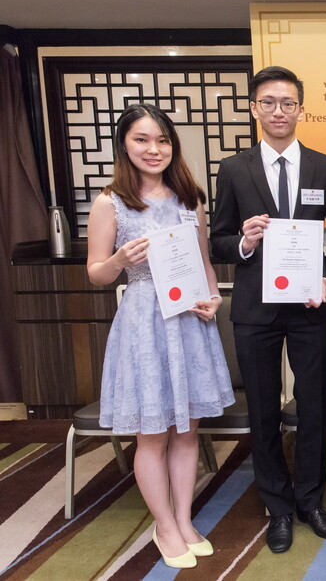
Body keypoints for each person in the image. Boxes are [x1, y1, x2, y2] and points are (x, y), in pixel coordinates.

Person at [87, 103, 234, 569]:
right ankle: (164, 526)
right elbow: (95, 273)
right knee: (153, 434)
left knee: (188, 431)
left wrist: (213, 298)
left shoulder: (190, 198)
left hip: (191, 320)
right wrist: (118, 260)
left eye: (163, 140)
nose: (154, 149)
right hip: (145, 322)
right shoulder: (111, 202)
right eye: (142, 140)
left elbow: (206, 264)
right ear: (124, 145)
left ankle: (184, 518)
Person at [210, 66, 326, 553]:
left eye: (288, 103)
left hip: (311, 309)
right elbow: (216, 241)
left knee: (314, 408)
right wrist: (243, 241)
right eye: (268, 102)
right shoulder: (234, 168)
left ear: (301, 109)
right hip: (255, 311)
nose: (278, 111)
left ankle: (310, 501)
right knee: (263, 411)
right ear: (254, 109)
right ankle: (278, 508)